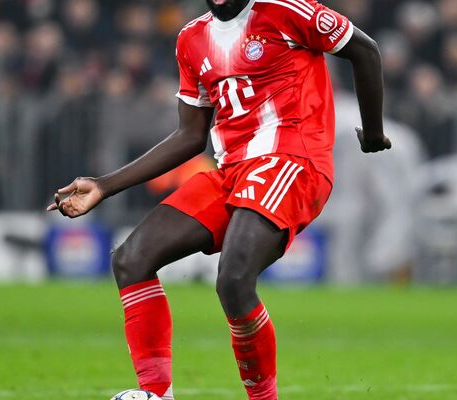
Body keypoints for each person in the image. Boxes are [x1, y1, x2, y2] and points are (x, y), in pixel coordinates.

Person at [47, 0, 391, 398]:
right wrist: (105, 186)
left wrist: (373, 131)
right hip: (231, 172)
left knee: (233, 279)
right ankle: (157, 395)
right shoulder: (192, 39)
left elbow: (365, 50)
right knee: (130, 259)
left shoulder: (286, 11)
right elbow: (190, 135)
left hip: (292, 160)